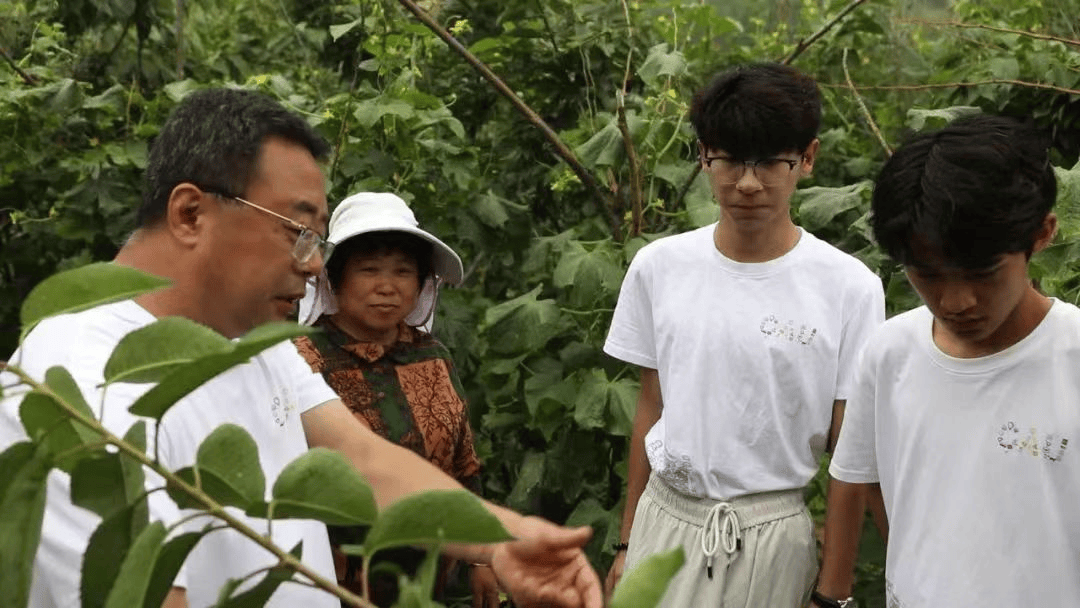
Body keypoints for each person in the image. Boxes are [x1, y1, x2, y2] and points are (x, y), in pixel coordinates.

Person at [0, 88, 601, 608]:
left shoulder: (252, 340)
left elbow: (363, 463)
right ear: (189, 213)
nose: (315, 265)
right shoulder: (76, 385)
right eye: (298, 230)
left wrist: (509, 539)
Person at [602, 63, 885, 606]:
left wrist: (833, 592)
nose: (747, 182)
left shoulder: (849, 287)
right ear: (705, 156)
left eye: (769, 162)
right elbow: (651, 406)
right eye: (728, 160)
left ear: (807, 157)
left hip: (771, 532)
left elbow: (852, 454)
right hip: (664, 520)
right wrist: (626, 542)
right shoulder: (660, 266)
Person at [815, 115, 1080, 607]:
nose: (956, 301)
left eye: (982, 273)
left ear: (1042, 234)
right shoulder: (890, 352)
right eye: (927, 275)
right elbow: (859, 475)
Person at [293, 191, 500, 607]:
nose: (386, 287)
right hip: (331, 582)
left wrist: (482, 558)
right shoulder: (304, 358)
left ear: (422, 283)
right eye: (369, 270)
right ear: (334, 279)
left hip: (428, 582)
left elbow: (464, 464)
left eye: (403, 272)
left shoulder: (432, 356)